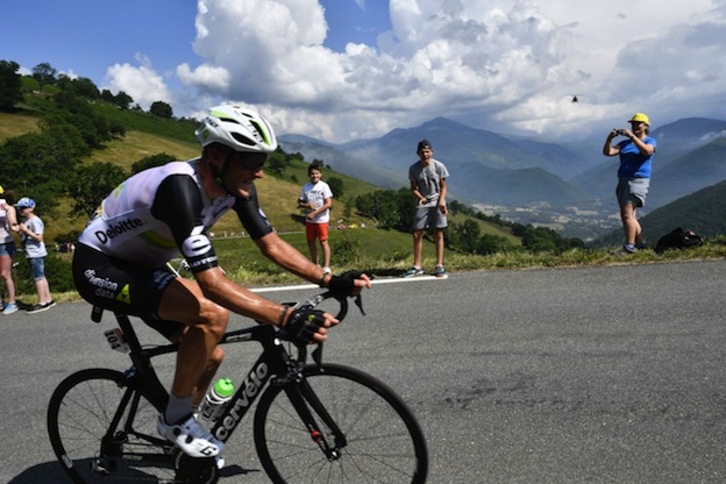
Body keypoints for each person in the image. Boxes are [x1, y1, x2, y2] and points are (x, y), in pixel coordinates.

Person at [71, 105, 370, 462]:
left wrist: (330, 279)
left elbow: (271, 245)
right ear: (216, 156)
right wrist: (284, 317)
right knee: (212, 316)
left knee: (210, 353)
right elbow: (211, 285)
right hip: (100, 265)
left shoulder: (235, 186)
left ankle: (178, 427)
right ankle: (175, 420)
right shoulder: (180, 189)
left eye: (262, 161)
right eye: (250, 161)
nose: (259, 172)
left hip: (145, 264)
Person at [602, 113, 656, 254]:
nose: (635, 126)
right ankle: (640, 245)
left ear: (646, 126)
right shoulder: (625, 144)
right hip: (624, 180)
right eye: (633, 123)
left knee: (626, 215)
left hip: (638, 181)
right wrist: (610, 138)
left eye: (639, 123)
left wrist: (632, 137)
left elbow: (648, 152)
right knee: (630, 215)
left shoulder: (650, 140)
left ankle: (629, 247)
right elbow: (608, 152)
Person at [403, 139, 450, 278]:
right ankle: (417, 266)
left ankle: (439, 265)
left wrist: (441, 201)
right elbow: (413, 188)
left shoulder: (439, 166)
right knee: (417, 233)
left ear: (432, 152)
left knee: (438, 233)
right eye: (422, 152)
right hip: (423, 203)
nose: (425, 154)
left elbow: (443, 186)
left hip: (437, 201)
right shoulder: (413, 169)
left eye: (427, 151)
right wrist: (420, 197)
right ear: (418, 153)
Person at [16, 197, 55, 314]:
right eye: (20, 208)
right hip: (31, 251)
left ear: (31, 208)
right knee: (41, 276)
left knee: (38, 278)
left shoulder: (34, 221)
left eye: (24, 208)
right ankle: (48, 299)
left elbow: (39, 238)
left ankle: (42, 302)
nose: (22, 210)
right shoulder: (27, 221)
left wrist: (26, 231)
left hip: (35, 252)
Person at [297, 164, 333, 273]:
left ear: (320, 174)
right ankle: (314, 264)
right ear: (309, 175)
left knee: (323, 241)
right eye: (312, 173)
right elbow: (299, 202)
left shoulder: (324, 186)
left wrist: (315, 213)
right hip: (310, 220)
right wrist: (307, 206)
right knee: (311, 241)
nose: (314, 175)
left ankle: (326, 266)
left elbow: (328, 203)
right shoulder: (306, 187)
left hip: (321, 219)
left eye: (317, 173)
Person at [0, 186, 20, 315]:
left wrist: (7, 212)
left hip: (5, 243)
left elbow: (14, 225)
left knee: (5, 274)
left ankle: (12, 302)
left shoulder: (9, 208)